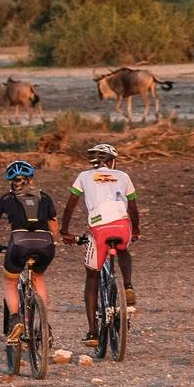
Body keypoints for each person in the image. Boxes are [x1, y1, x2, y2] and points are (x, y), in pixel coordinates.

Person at [59, 143, 139, 347]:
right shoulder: (123, 176)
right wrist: (136, 230)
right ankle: (128, 284)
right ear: (112, 160)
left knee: (92, 276)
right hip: (122, 225)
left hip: (99, 228)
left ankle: (93, 332)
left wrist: (65, 231)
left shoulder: (84, 176)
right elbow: (133, 207)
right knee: (123, 249)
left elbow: (70, 204)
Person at [0, 160, 58, 345]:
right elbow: (54, 225)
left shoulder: (6, 199)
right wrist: (56, 241)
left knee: (11, 281)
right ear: (31, 178)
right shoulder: (45, 198)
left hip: (19, 243)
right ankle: (45, 326)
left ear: (11, 181)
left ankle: (14, 320)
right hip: (45, 244)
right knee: (38, 277)